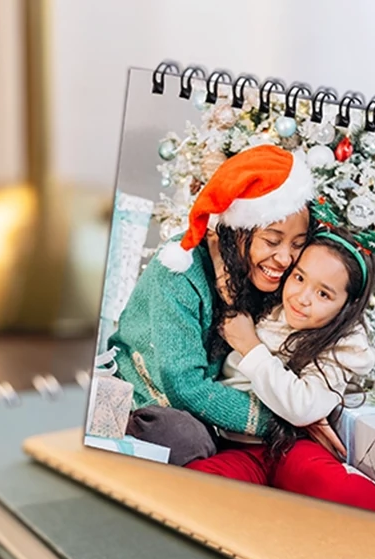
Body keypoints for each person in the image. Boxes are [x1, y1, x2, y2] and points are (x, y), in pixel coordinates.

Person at [109, 143, 344, 457]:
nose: (285, 258)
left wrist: (302, 406)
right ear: (237, 232)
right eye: (272, 241)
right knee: (187, 440)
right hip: (152, 399)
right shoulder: (179, 270)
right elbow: (184, 387)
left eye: (297, 244)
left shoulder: (276, 276)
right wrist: (283, 424)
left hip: (217, 403)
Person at [184, 224, 375, 516]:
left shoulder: (342, 345)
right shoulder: (270, 302)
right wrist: (214, 247)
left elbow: (303, 407)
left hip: (292, 446)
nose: (302, 297)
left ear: (346, 307)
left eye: (324, 294)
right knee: (193, 483)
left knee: (340, 490)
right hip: (237, 446)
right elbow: (228, 288)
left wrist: (250, 346)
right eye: (299, 277)